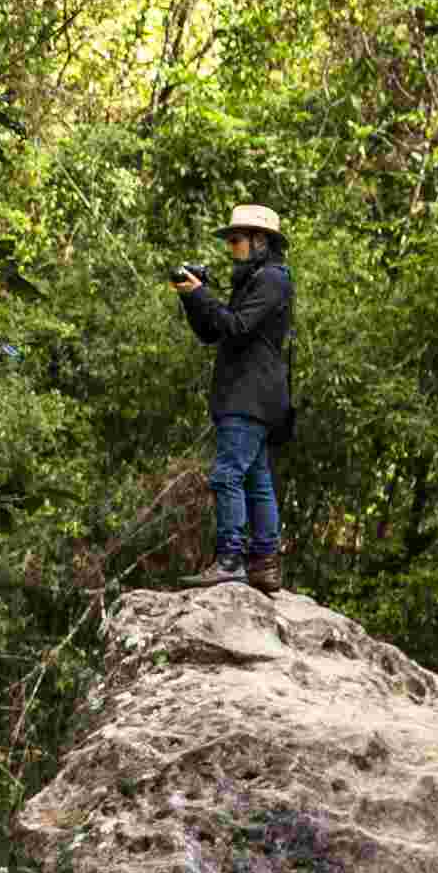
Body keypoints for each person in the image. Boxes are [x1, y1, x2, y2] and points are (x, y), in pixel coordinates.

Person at [171, 204, 293, 592]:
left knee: (227, 475)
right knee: (257, 480)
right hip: (248, 394)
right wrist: (192, 297)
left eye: (236, 239)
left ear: (260, 241)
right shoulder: (254, 279)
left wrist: (203, 295)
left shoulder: (272, 279)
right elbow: (212, 332)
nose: (231, 247)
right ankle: (264, 565)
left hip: (250, 395)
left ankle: (230, 560)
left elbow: (237, 327)